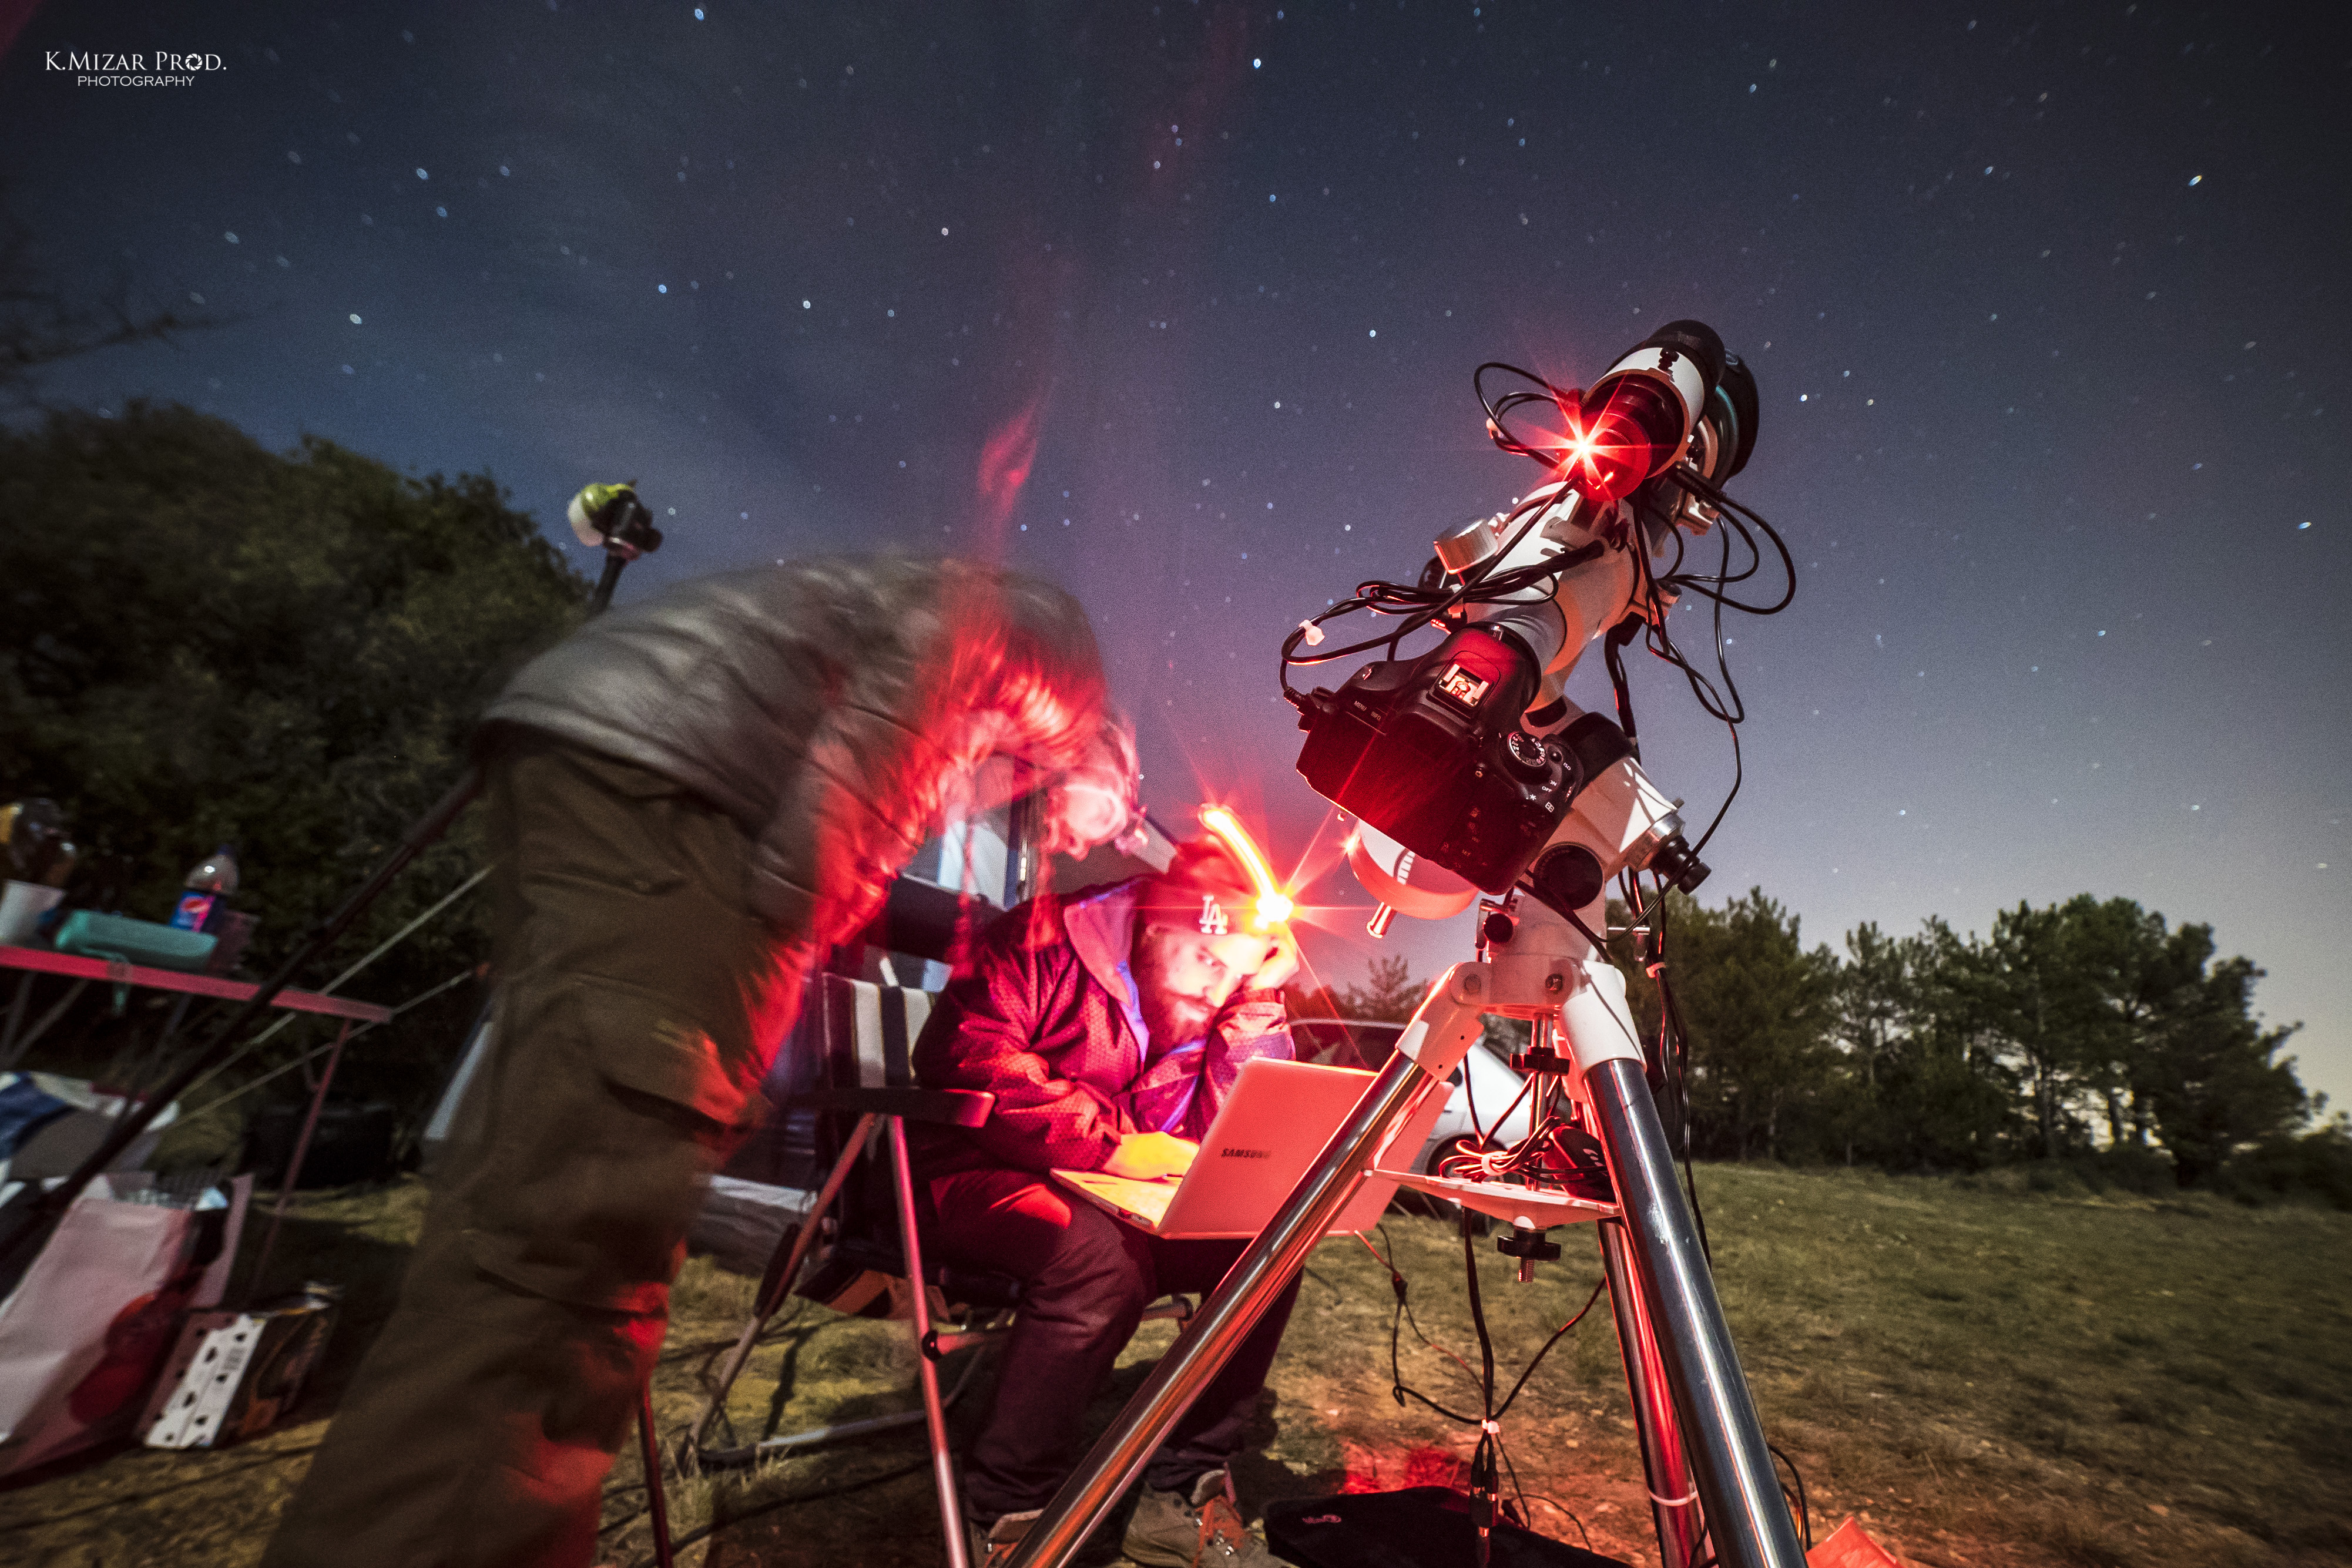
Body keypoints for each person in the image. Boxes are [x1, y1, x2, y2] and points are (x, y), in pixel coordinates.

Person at [263, 555, 1138, 1568]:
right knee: (575, 1255)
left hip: (615, 749)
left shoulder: (966, 726)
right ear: (1091, 761)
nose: (1077, 847)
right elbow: (934, 667)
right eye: (1097, 820)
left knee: (534, 1227)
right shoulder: (1054, 665)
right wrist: (801, 904)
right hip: (679, 794)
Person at [911, 837, 1303, 1568]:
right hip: (973, 1169)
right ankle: (1010, 1511)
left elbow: (1234, 1123)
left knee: (1267, 1247)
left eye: (1237, 973)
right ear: (1155, 927)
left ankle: (1179, 1494)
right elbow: (967, 1053)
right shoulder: (1046, 938)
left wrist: (1254, 1001)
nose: (1215, 987)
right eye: (1209, 960)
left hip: (1116, 1193)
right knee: (1098, 1259)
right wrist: (1109, 1146)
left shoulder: (1218, 996)